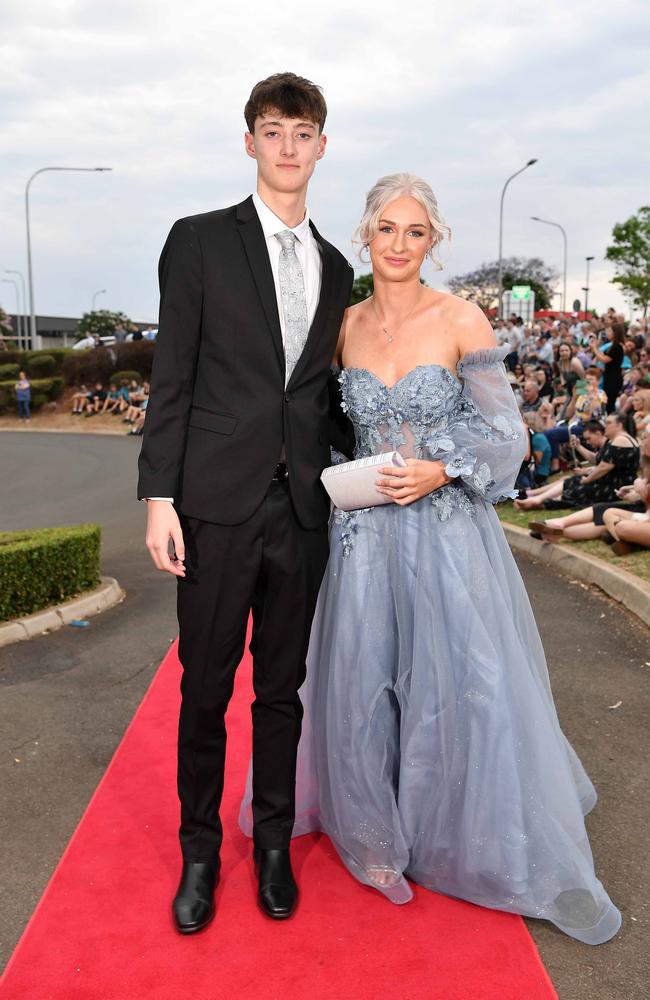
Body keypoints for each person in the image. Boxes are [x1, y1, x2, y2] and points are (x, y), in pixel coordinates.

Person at [251, 173, 621, 945]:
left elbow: (507, 437)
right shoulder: (342, 326)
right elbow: (318, 424)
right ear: (365, 233)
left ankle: (467, 833)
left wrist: (440, 465)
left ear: (434, 241)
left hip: (445, 535)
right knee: (363, 680)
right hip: (364, 538)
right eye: (386, 228)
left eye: (415, 232)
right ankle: (377, 835)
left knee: (465, 682)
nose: (398, 244)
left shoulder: (463, 318)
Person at [138, 72, 354, 933]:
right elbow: (172, 378)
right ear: (251, 142)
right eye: (273, 131)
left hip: (303, 510)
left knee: (282, 691)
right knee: (204, 685)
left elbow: (320, 396)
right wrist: (159, 494)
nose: (289, 147)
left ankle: (270, 844)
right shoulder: (197, 242)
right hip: (215, 506)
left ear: (322, 146)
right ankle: (198, 852)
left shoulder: (338, 267)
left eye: (303, 133)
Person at [515, 414, 639, 510]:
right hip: (612, 482)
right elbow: (597, 460)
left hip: (616, 486)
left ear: (620, 425)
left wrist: (588, 478)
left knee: (574, 487)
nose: (605, 425)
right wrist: (579, 447)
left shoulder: (621, 440)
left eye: (609, 423)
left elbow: (604, 467)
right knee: (572, 482)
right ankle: (534, 497)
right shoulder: (616, 440)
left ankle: (536, 500)